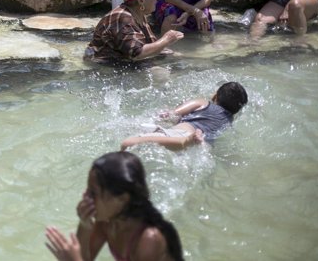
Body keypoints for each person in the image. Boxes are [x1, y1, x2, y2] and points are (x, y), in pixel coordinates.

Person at [45, 151, 184, 261]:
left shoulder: (148, 239)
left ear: (122, 199)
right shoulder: (107, 222)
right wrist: (85, 225)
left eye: (93, 192)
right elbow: (86, 258)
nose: (85, 196)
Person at [120, 82, 248, 151]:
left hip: (181, 135)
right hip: (200, 149)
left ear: (215, 96)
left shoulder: (203, 102)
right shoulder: (228, 121)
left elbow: (171, 115)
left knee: (127, 143)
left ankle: (187, 141)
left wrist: (161, 113)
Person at [84, 0, 184, 62]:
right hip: (103, 65)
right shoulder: (122, 18)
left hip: (123, 61)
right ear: (141, 0)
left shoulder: (139, 14)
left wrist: (175, 54)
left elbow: (150, 45)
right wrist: (166, 39)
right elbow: (137, 53)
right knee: (160, 74)